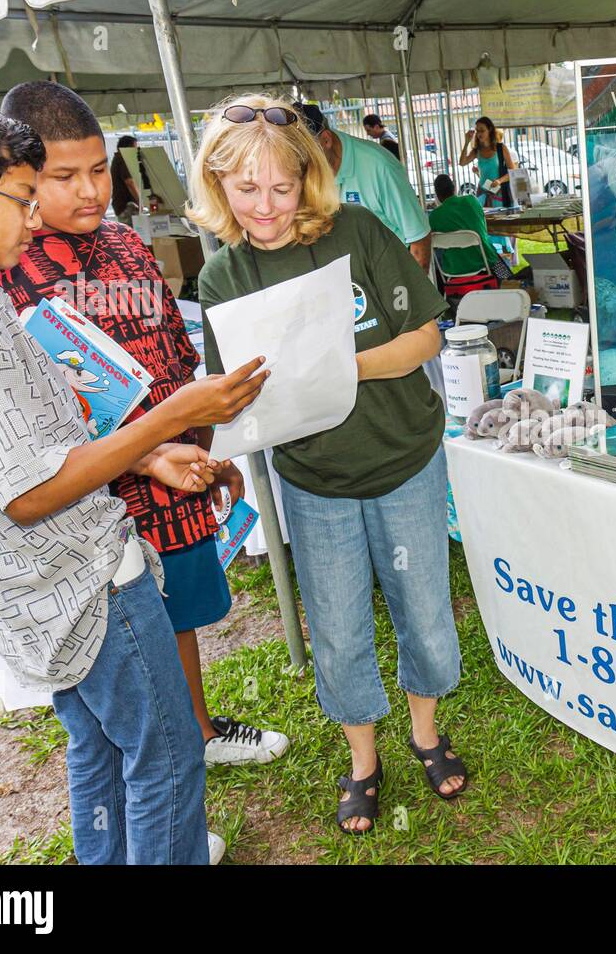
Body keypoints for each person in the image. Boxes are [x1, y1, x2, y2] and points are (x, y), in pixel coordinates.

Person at [0, 91, 269, 863]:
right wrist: (171, 420)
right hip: (81, 582)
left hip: (33, 590)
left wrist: (148, 450)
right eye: (20, 197)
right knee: (166, 756)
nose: (33, 217)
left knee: (100, 748)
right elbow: (31, 489)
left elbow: (18, 441)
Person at [0, 81, 291, 774]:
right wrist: (152, 447)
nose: (90, 191)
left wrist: (212, 448)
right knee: (122, 639)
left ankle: (199, 731)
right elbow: (40, 413)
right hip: (93, 496)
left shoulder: (126, 243)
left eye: (99, 170)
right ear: (22, 175)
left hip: (177, 474)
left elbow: (174, 353)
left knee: (176, 615)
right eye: (64, 177)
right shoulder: (7, 266)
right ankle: (155, 768)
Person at [188, 94, 469, 834]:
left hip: (405, 460)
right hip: (315, 484)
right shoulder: (221, 279)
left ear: (308, 176)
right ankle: (363, 762)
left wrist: (331, 364)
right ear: (216, 187)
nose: (266, 206)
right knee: (339, 629)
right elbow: (239, 404)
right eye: (246, 190)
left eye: (282, 187)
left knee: (426, 613)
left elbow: (424, 342)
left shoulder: (360, 232)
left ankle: (427, 734)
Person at [299, 104, 431, 269]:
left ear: (326, 140)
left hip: (390, 276)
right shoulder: (299, 175)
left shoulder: (379, 166)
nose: (299, 165)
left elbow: (419, 241)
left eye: (303, 154)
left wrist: (410, 292)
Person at [428, 173, 513, 281]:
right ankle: (506, 282)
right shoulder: (472, 201)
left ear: (437, 195)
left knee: (435, 252)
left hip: (454, 269)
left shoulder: (435, 216)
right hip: (486, 262)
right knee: (490, 249)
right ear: (454, 188)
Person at [459, 116, 518, 209]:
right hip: (482, 194)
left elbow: (512, 172)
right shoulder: (477, 151)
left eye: (482, 130)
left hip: (499, 194)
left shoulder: (501, 148)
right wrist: (466, 142)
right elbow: (462, 163)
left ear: (489, 130)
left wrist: (499, 181)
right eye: (477, 131)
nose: (479, 134)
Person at [110, 133, 141, 218]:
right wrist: (140, 201)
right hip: (126, 206)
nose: (136, 151)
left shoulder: (117, 159)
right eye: (134, 147)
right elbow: (129, 182)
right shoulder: (122, 159)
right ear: (128, 148)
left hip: (120, 206)